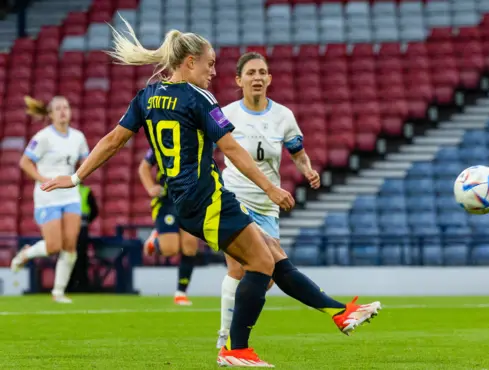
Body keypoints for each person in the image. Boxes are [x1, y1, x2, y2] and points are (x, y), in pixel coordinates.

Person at [41, 18, 381, 367]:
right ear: (189, 62)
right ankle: (235, 348)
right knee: (260, 262)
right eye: (210, 63)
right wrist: (271, 187)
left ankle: (339, 313)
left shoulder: (147, 97)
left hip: (190, 199)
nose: (214, 71)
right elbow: (232, 150)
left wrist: (77, 176)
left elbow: (113, 140)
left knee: (272, 253)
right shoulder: (199, 98)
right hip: (207, 198)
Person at [215, 52, 324, 348]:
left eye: (262, 72)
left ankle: (233, 340)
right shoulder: (225, 114)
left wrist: (308, 170)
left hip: (267, 206)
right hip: (234, 200)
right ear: (239, 80)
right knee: (239, 269)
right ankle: (227, 340)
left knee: (266, 276)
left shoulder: (283, 116)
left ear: (270, 79)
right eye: (250, 73)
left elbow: (298, 153)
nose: (257, 78)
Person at [12, 96, 90, 304]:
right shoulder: (43, 137)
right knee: (54, 246)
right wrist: (42, 179)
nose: (63, 111)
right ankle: (26, 254)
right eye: (58, 108)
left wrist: (79, 176)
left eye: (66, 107)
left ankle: (58, 292)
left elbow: (86, 160)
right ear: (51, 114)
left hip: (70, 194)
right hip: (48, 196)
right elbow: (25, 162)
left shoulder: (78, 137)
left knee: (70, 244)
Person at [138, 148, 199, 306]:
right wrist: (151, 188)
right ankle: (156, 239)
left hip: (190, 201)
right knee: (170, 249)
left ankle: (181, 293)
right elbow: (144, 167)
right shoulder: (161, 140)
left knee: (190, 246)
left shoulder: (197, 139)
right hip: (167, 201)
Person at [68, 183, 99, 292]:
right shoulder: (86, 191)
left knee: (69, 256)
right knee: (81, 257)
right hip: (82, 229)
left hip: (70, 229)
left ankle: (69, 285)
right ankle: (82, 285)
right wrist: (86, 221)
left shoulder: (66, 192)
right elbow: (95, 211)